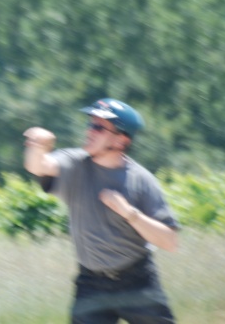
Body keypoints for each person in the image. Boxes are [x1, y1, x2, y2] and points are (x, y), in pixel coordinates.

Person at [23, 98, 179, 323]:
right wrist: (39, 146)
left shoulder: (142, 181)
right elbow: (38, 166)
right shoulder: (74, 163)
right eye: (90, 124)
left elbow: (170, 242)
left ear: (121, 140)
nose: (89, 131)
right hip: (91, 284)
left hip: (137, 282)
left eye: (99, 127)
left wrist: (129, 213)